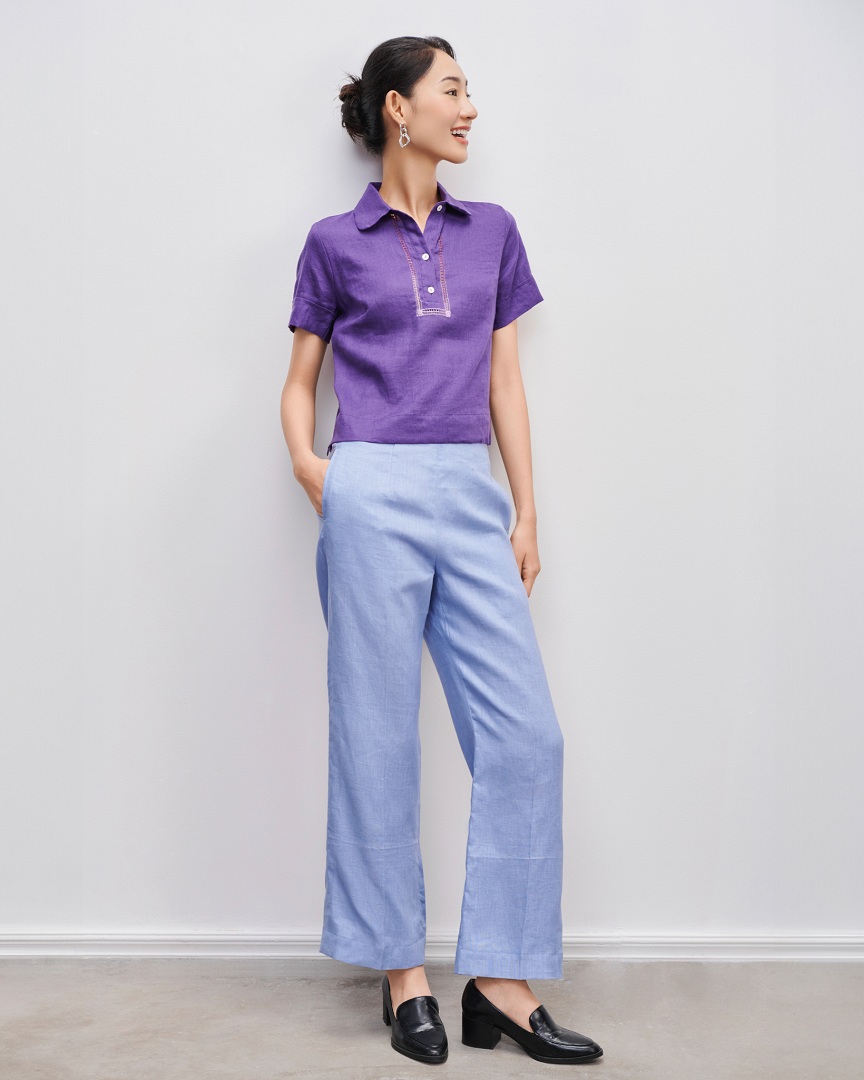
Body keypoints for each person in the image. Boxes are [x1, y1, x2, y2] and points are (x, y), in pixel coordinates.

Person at [280, 35, 603, 1067]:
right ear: (397, 109)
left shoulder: (491, 230)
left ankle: (500, 983)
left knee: (526, 736)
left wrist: (526, 510)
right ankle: (401, 974)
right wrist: (315, 467)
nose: (468, 109)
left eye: (467, 91)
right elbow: (300, 382)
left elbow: (505, 379)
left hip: (468, 492)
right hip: (368, 487)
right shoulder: (334, 242)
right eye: (452, 90)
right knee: (375, 737)